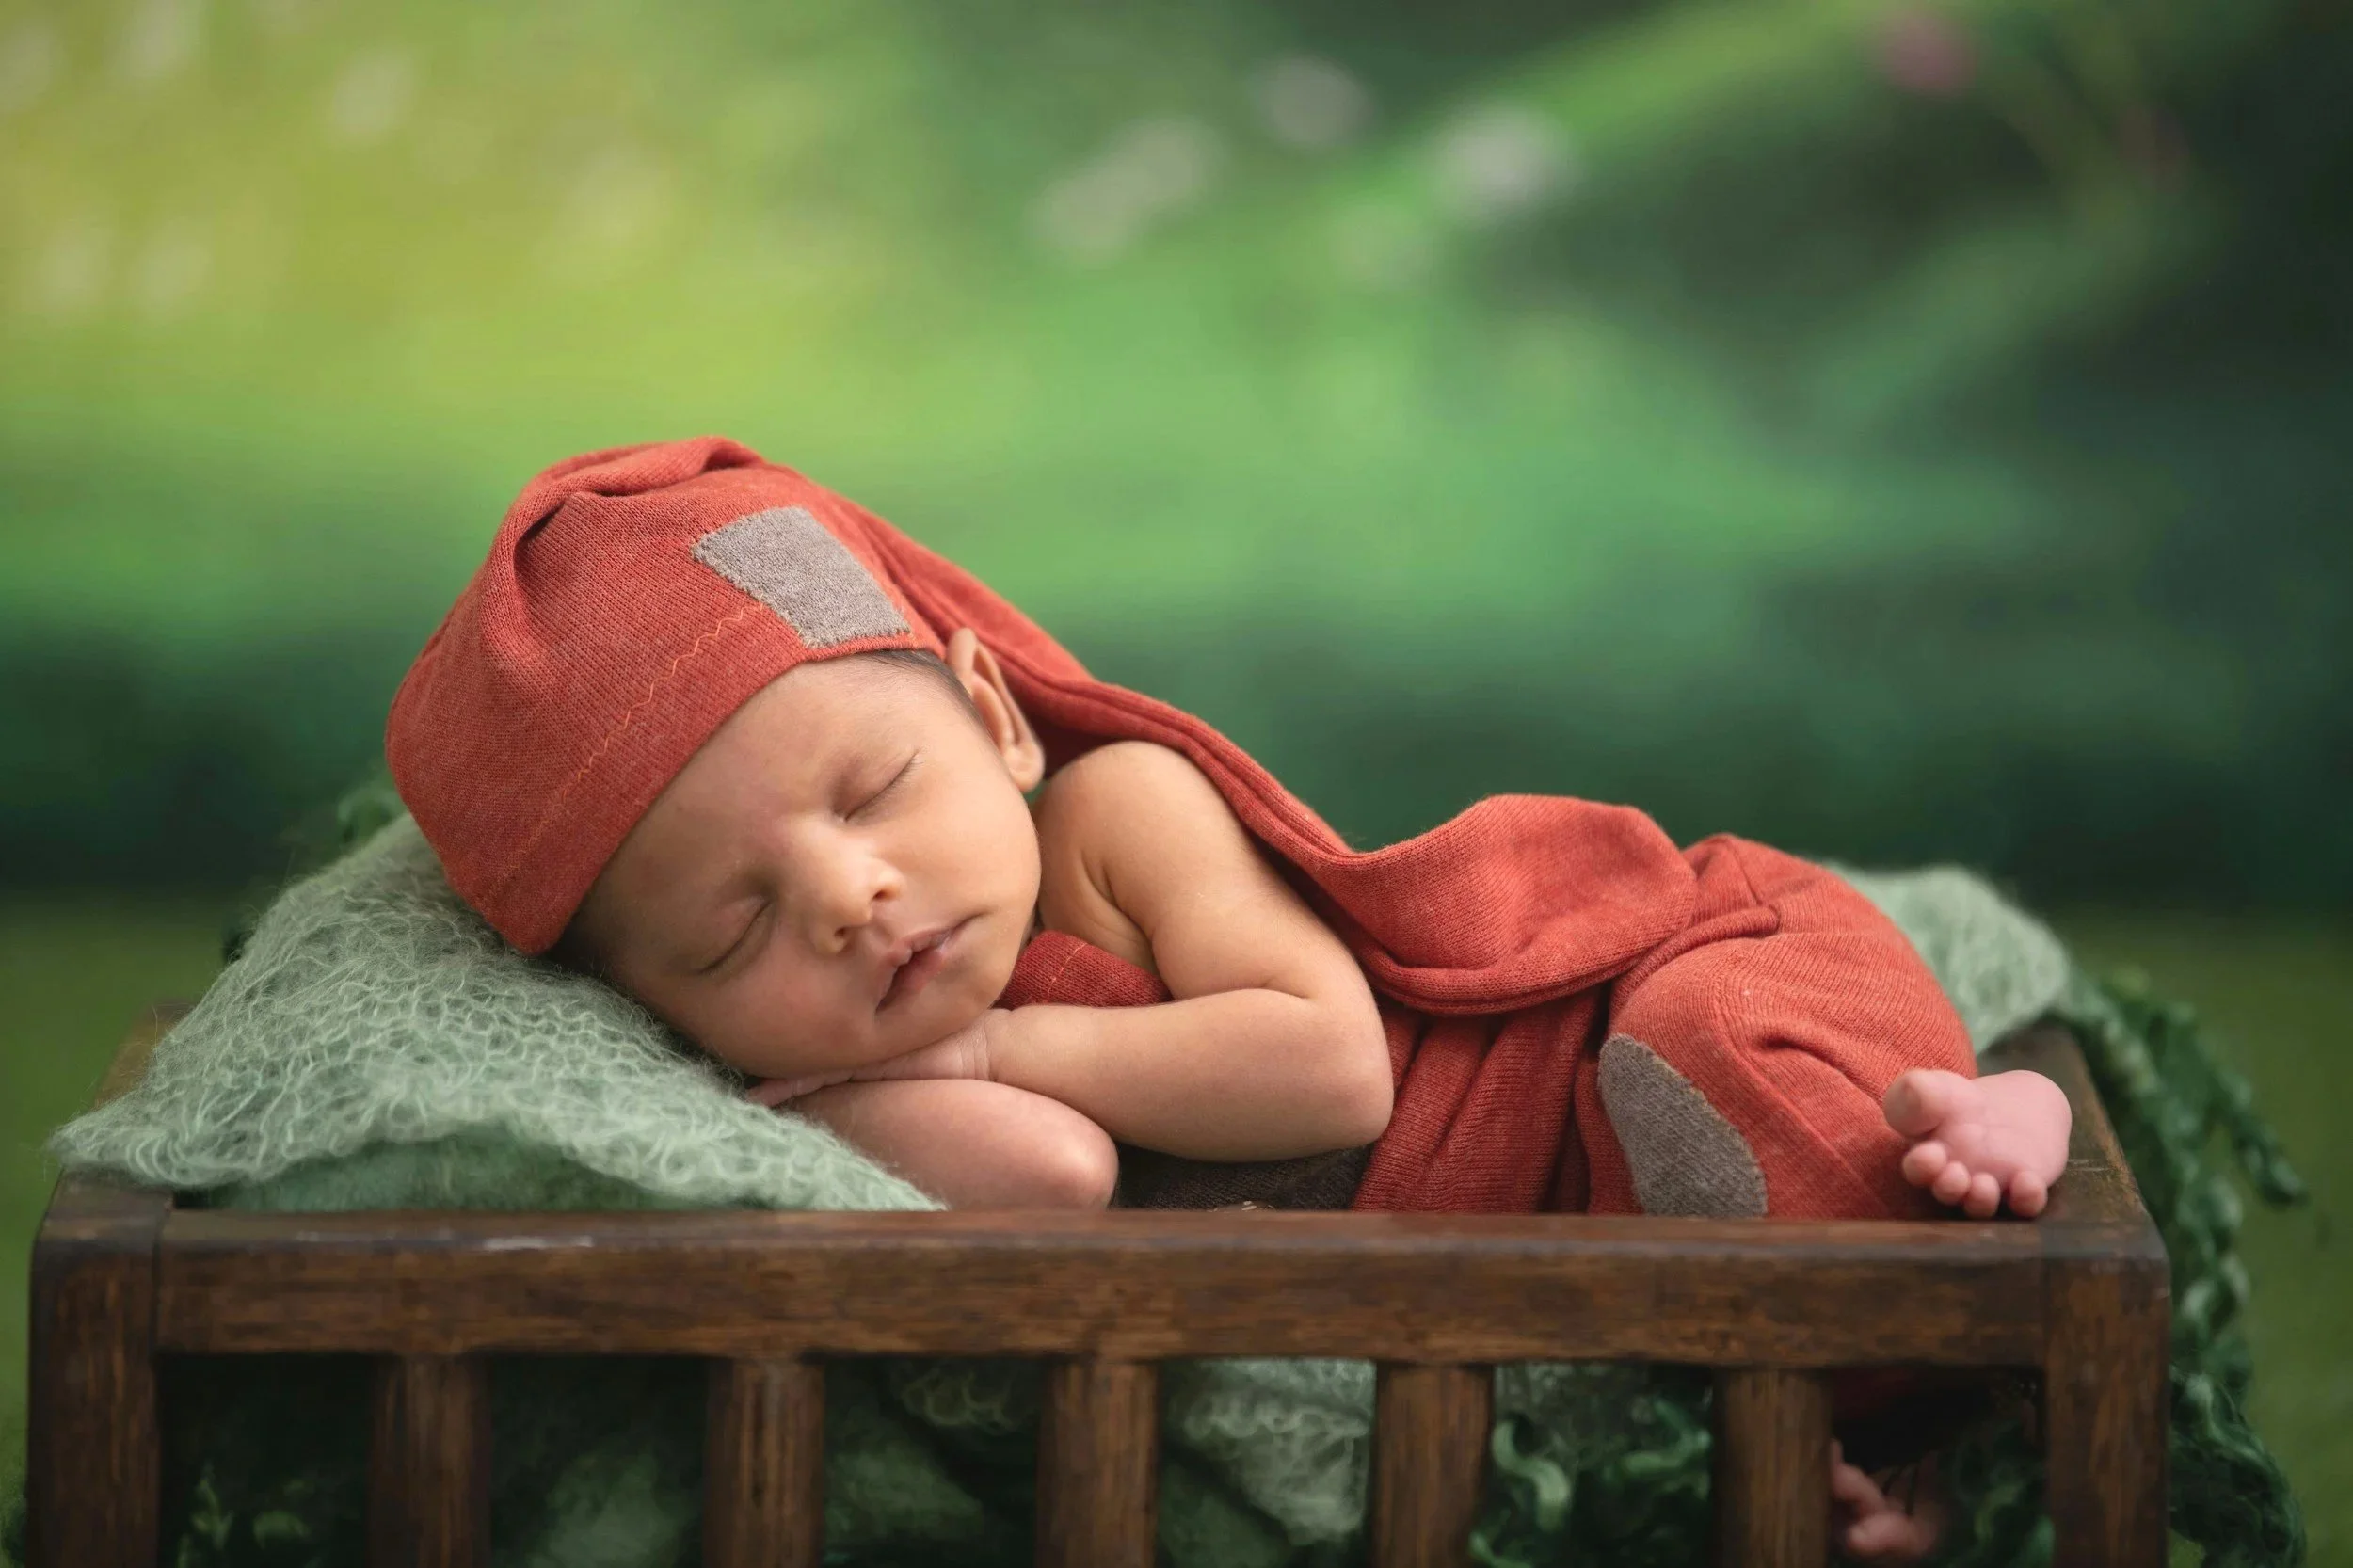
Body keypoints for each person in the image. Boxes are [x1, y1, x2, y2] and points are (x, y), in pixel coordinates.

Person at [388, 436, 2071, 1558]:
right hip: (1583, 1210)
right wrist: (888, 1085)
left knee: (1706, 1098)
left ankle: (1994, 1117)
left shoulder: (1117, 822)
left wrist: (994, 1039)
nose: (850, 903)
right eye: (728, 932)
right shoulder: (851, 1072)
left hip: (1664, 982)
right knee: (1720, 1309)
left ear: (994, 715)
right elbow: (1056, 1177)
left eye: (870, 789)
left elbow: (1336, 1071)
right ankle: (1914, 1462)